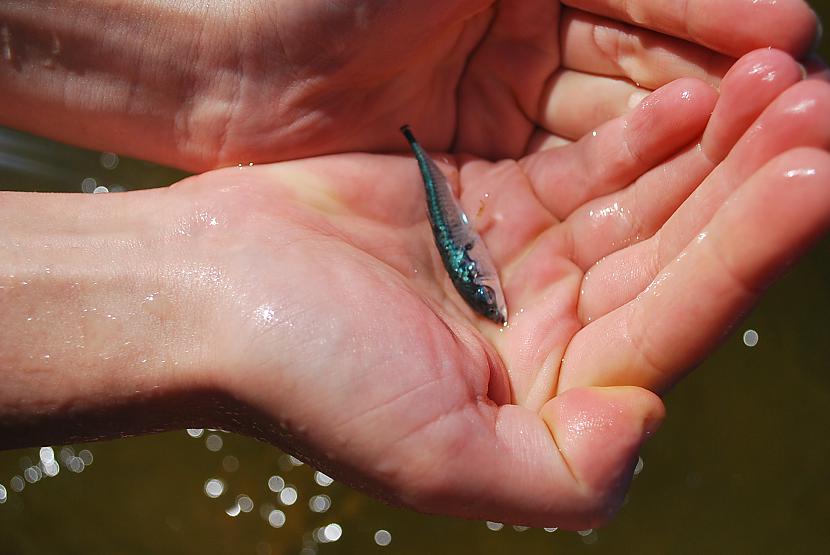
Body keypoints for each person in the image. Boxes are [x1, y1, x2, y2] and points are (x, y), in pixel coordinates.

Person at [0, 0, 827, 530]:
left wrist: (224, 54)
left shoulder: (470, 250)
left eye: (485, 297)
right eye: (487, 298)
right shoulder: (475, 258)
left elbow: (462, 246)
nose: (487, 294)